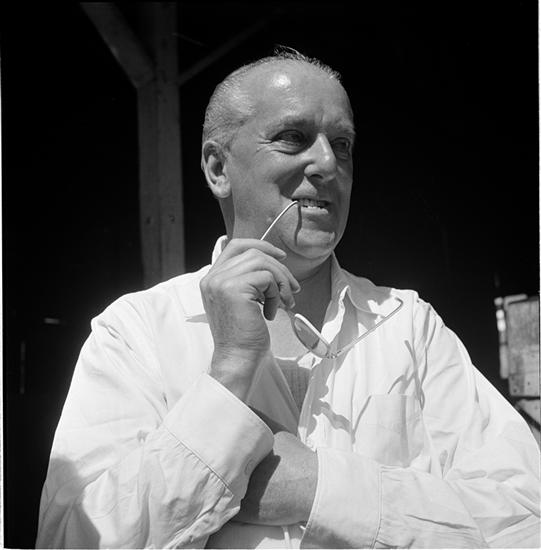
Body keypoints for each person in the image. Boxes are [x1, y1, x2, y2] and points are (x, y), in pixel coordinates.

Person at [36, 48, 540, 549]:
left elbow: (523, 519)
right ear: (218, 168)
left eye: (342, 144)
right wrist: (229, 372)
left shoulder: (407, 325)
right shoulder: (138, 330)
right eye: (293, 138)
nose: (327, 163)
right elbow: (70, 540)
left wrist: (314, 486)